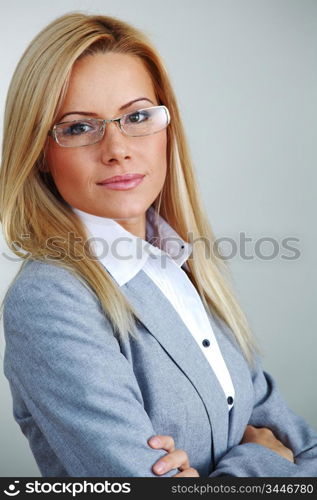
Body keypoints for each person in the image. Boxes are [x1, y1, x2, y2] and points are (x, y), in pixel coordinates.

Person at [0, 12, 316, 478]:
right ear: (40, 153)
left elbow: (302, 445)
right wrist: (265, 456)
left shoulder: (181, 267)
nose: (117, 148)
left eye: (137, 116)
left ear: (167, 128)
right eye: (78, 127)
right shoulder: (49, 300)